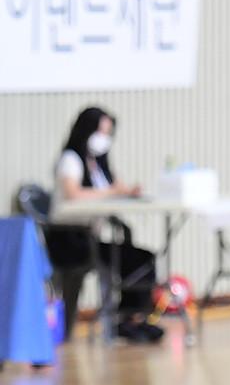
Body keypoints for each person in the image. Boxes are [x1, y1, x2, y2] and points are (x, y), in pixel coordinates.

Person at [50, 106, 164, 344]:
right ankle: (125, 319)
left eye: (108, 133)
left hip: (89, 238)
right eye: (100, 132)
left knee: (143, 258)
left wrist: (126, 191)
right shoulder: (70, 160)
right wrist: (112, 192)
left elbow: (114, 188)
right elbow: (73, 194)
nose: (104, 138)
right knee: (132, 259)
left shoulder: (98, 164)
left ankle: (132, 318)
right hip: (68, 240)